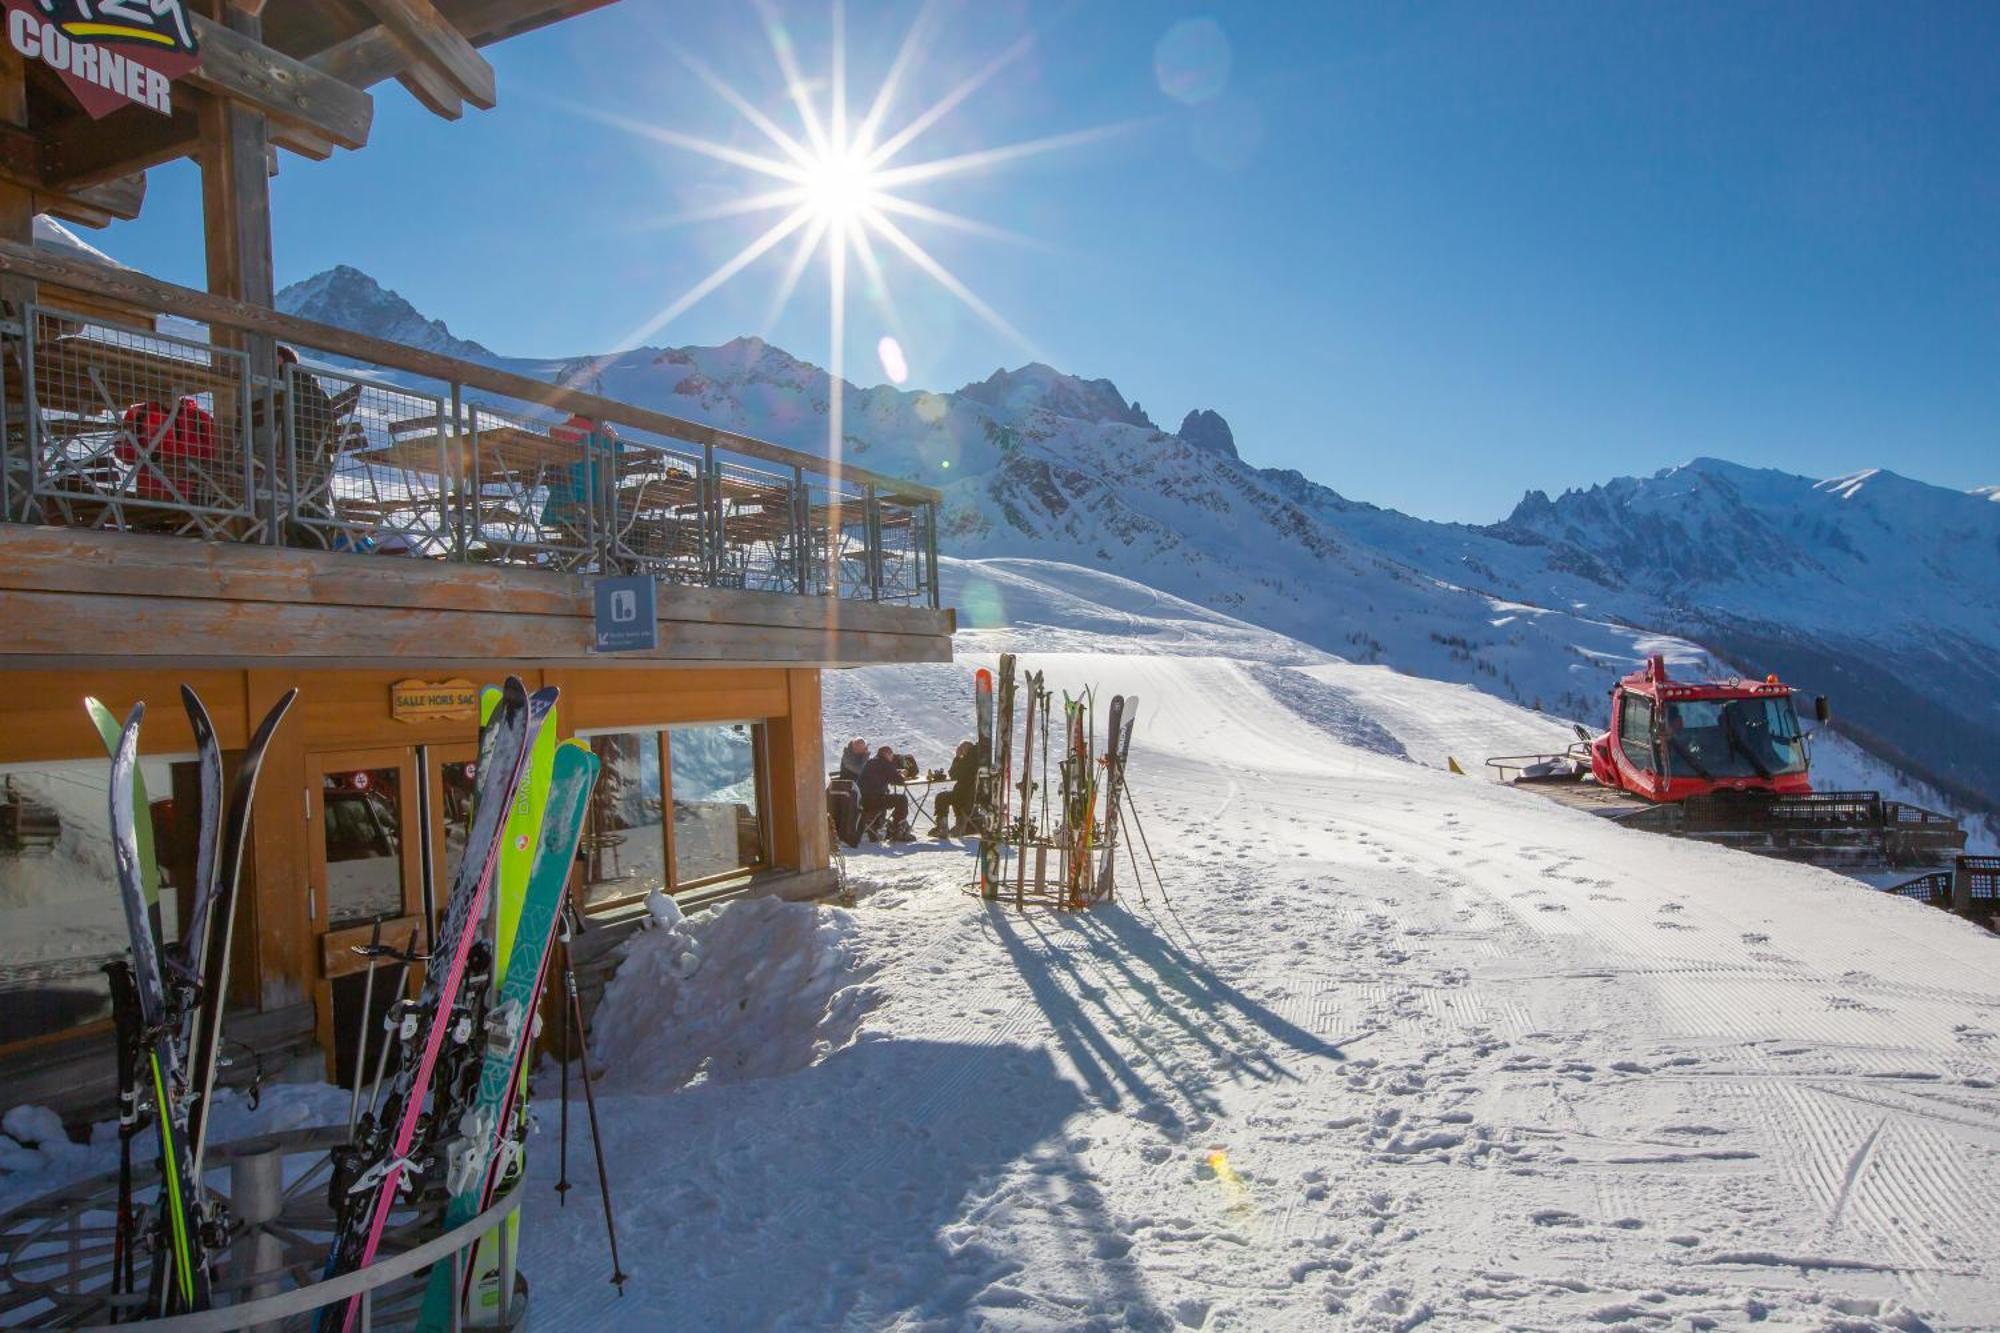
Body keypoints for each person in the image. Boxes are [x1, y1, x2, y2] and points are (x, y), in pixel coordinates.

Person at [857, 745, 915, 843]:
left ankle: (891, 827)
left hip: (862, 801)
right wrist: (902, 774)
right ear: (886, 754)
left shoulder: (870, 762)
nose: (892, 757)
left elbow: (884, 775)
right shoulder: (885, 764)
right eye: (891, 754)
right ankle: (898, 830)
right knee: (902, 799)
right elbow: (899, 780)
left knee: (892, 798)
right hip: (875, 801)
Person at [930, 740, 980, 838]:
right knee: (946, 796)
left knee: (941, 797)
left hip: (964, 796)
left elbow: (953, 774)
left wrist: (957, 758)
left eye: (961, 749)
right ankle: (957, 825)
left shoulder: (968, 760)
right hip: (970, 795)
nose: (960, 751)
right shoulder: (976, 758)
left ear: (967, 749)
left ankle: (942, 827)